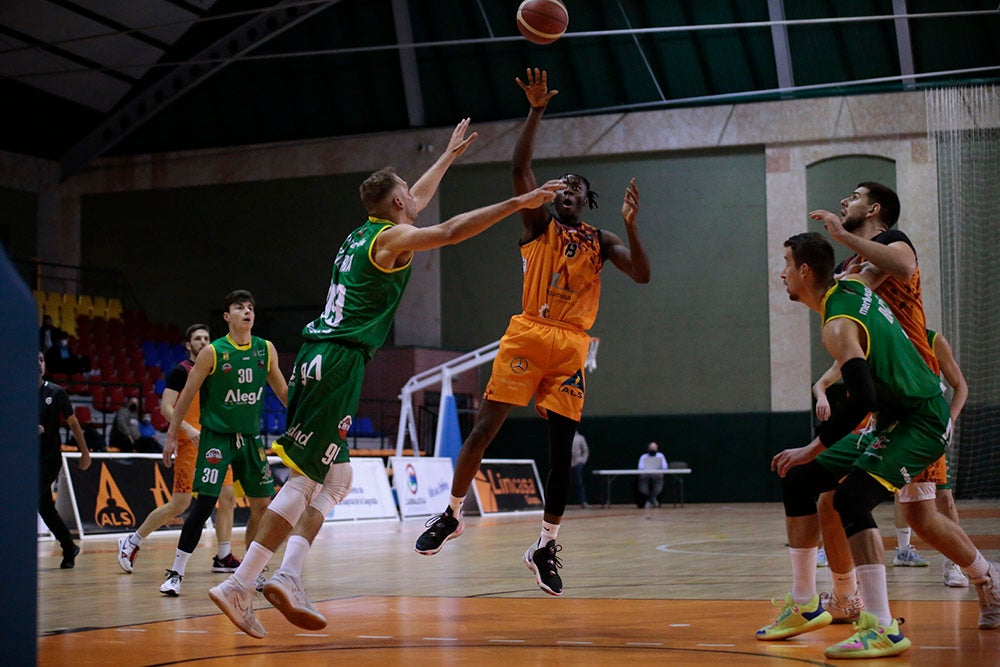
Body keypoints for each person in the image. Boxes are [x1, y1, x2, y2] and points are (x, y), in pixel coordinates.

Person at [208, 118, 562, 639]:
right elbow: (446, 229)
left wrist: (445, 158)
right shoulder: (394, 237)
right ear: (397, 206)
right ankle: (241, 583)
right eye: (407, 196)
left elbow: (414, 200)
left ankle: (288, 575)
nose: (414, 199)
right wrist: (519, 202)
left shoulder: (363, 233)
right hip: (339, 362)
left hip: (317, 354)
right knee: (307, 480)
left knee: (339, 478)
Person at [414, 69, 651, 599]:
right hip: (528, 334)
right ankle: (451, 514)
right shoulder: (537, 226)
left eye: (575, 188)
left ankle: (545, 545)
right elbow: (519, 167)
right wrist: (537, 111)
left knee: (560, 452)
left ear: (586, 200)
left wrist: (632, 226)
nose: (566, 191)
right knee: (484, 430)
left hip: (571, 345)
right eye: (560, 186)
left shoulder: (602, 238)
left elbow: (642, 275)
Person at [759, 233, 999, 659]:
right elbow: (873, 271)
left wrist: (813, 447)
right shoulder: (849, 286)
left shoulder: (837, 326)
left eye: (785, 264)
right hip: (894, 417)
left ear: (804, 271)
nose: (781, 273)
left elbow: (863, 398)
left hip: (922, 419)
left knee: (855, 498)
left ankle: (883, 626)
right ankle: (804, 602)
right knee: (799, 481)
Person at [811, 183, 994, 615]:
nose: (843, 200)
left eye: (853, 196)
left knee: (919, 510)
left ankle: (975, 576)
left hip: (918, 397)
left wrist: (841, 236)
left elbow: (900, 267)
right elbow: (847, 307)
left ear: (875, 209)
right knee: (847, 500)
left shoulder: (892, 244)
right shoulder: (855, 264)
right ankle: (846, 596)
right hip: (890, 402)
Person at [158, 291, 287, 597]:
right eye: (239, 308)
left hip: (250, 438)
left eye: (251, 308)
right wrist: (171, 435)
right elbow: (187, 395)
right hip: (217, 437)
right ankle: (176, 572)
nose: (247, 312)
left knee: (263, 506)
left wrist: (304, 422)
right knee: (203, 505)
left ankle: (252, 571)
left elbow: (283, 391)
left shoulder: (265, 350)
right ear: (227, 317)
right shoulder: (213, 352)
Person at [115, 324, 240, 576]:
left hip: (215, 443)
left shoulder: (215, 372)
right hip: (190, 443)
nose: (203, 342)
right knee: (179, 503)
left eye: (207, 337)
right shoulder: (180, 372)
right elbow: (166, 408)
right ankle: (132, 541)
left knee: (227, 498)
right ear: (188, 345)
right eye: (197, 338)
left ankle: (223, 556)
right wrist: (187, 429)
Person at [38, 351, 91, 568]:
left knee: (29, 497)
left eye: (41, 359)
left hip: (49, 459)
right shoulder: (17, 392)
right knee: (44, 507)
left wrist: (85, 452)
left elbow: (74, 423)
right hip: (25, 460)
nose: (37, 363)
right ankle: (69, 546)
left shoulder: (55, 392)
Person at [637, 442, 668, 508]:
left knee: (658, 488)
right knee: (643, 489)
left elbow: (665, 467)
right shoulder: (643, 456)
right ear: (648, 449)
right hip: (645, 476)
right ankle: (652, 499)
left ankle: (650, 500)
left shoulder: (660, 456)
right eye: (651, 448)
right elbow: (640, 467)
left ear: (657, 449)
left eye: (654, 448)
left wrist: (658, 468)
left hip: (657, 476)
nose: (653, 449)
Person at [571, 430, 590, 508]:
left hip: (577, 463)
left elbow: (585, 451)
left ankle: (583, 502)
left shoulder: (580, 438)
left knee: (579, 483)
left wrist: (582, 461)